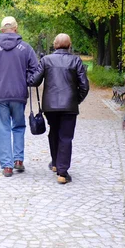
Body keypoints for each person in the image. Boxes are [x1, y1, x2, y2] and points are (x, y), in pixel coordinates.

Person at [0, 16, 39, 177]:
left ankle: (7, 166)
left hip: (0, 95)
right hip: (19, 94)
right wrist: (24, 80)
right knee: (19, 126)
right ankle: (18, 160)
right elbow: (36, 70)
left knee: (3, 128)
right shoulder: (26, 48)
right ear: (16, 28)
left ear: (1, 30)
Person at [28, 33, 89, 184]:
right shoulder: (76, 61)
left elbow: (34, 81)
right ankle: (62, 172)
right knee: (66, 137)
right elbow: (84, 86)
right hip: (69, 106)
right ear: (69, 45)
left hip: (50, 106)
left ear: (55, 45)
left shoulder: (46, 60)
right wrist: (75, 100)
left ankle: (55, 163)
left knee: (54, 132)